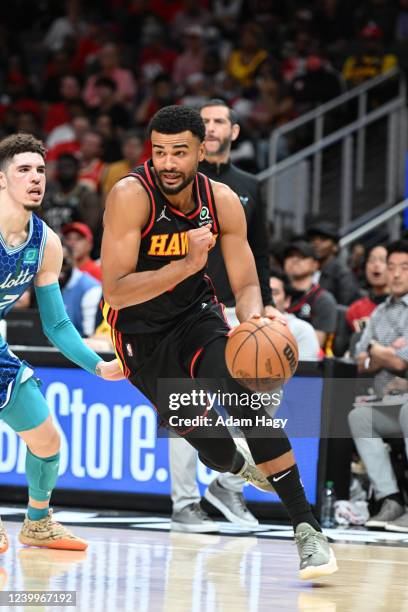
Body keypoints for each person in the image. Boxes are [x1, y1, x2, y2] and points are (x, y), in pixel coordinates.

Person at [100, 105, 338, 580]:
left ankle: (307, 529)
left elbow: (247, 283)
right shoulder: (131, 196)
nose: (168, 163)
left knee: (241, 395)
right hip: (139, 336)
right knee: (209, 446)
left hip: (196, 318)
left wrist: (254, 322)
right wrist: (185, 266)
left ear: (201, 152)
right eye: (160, 152)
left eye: (180, 152)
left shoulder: (223, 200)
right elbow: (116, 290)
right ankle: (238, 463)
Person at [0, 133, 123, 554]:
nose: (36, 178)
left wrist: (98, 366)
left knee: (47, 440)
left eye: (39, 170)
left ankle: (36, 522)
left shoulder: (46, 242)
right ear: (1, 180)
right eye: (23, 170)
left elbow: (56, 324)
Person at [169, 99, 274, 533]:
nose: (210, 128)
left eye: (218, 122)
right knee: (186, 404)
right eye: (204, 122)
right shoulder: (173, 182)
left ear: (233, 132)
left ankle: (227, 484)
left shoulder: (250, 185)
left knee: (263, 398)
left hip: (235, 309)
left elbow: (261, 255)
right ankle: (184, 504)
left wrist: (263, 310)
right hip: (185, 310)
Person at [349, 240, 408, 533]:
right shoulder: (379, 313)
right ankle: (391, 500)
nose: (396, 274)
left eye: (404, 268)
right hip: (389, 403)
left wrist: (377, 352)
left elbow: (402, 364)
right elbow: (359, 360)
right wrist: (386, 353)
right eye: (392, 267)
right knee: (359, 417)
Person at [283, 241, 337, 349]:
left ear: (315, 265)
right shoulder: (276, 294)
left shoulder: (323, 299)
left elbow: (314, 346)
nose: (294, 260)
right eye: (290, 256)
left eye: (302, 256)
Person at [306, 221, 362, 306]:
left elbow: (345, 308)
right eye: (313, 240)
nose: (316, 244)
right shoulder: (308, 269)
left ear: (335, 247)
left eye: (323, 239)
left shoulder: (343, 273)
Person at [269, 269, 320, 360]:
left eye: (274, 293)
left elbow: (305, 372)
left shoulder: (302, 330)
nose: (267, 298)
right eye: (262, 293)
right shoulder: (240, 323)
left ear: (287, 301)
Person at [59, 242, 102, 337]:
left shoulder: (90, 289)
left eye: (63, 262)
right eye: (52, 263)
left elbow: (90, 335)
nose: (58, 268)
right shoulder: (41, 283)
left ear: (73, 261)